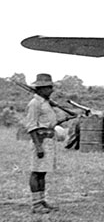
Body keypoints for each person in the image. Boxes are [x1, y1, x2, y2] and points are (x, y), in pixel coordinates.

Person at [24, 73, 61, 214]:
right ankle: (36, 204)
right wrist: (38, 146)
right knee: (36, 172)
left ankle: (41, 200)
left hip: (48, 139)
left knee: (42, 172)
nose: (51, 90)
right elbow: (31, 126)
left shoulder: (45, 103)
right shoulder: (34, 104)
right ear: (40, 89)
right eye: (48, 88)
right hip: (40, 140)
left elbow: (49, 122)